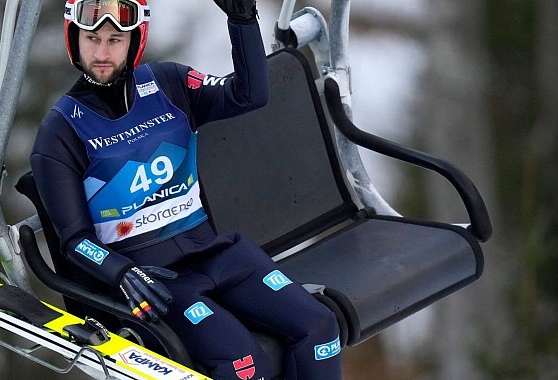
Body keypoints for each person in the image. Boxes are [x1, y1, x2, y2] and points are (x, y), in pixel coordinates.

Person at [30, 1, 343, 378]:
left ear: (135, 41)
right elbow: (74, 241)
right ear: (73, 39)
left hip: (217, 254)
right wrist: (122, 273)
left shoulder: (168, 83)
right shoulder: (60, 131)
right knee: (244, 365)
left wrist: (241, 20)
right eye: (91, 39)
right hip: (157, 280)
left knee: (320, 327)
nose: (101, 53)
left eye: (115, 39)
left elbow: (250, 95)